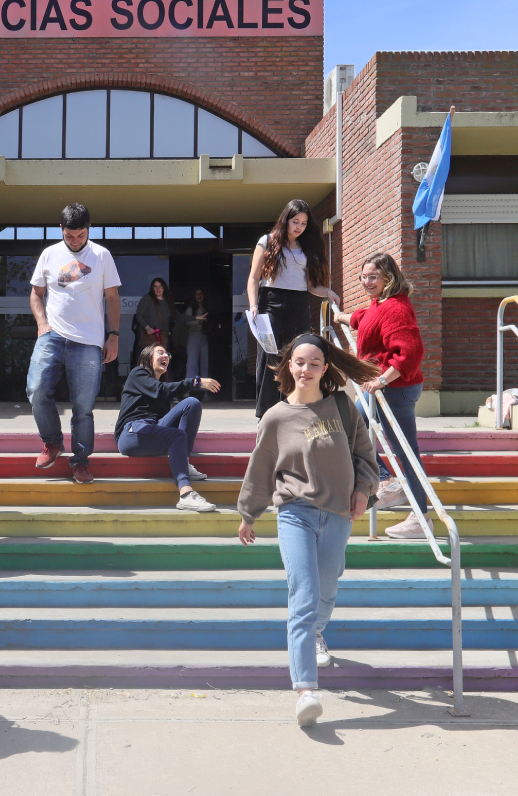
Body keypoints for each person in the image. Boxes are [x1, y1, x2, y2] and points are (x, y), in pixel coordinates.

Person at [237, 334, 378, 727]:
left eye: (314, 363)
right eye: (299, 362)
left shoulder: (343, 409)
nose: (306, 369)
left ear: (325, 369)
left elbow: (365, 457)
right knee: (304, 594)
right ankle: (306, 690)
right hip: (294, 513)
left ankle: (316, 632)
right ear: (289, 367)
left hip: (337, 512)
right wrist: (248, 513)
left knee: (328, 586)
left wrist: (364, 491)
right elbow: (260, 469)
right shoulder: (276, 418)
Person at [27, 203, 122, 485]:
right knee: (36, 389)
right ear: (61, 230)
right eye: (70, 235)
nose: (76, 241)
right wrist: (42, 324)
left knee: (83, 406)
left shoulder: (102, 255)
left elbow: (113, 298)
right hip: (53, 335)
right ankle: (52, 442)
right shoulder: (49, 254)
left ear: (89, 229)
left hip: (89, 340)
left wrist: (113, 335)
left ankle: (80, 462)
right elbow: (36, 294)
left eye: (81, 235)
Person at [338, 252, 429, 540]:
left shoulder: (396, 308)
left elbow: (410, 353)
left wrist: (382, 379)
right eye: (363, 276)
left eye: (373, 277)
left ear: (388, 277)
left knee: (406, 453)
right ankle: (389, 480)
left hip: (394, 389)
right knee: (346, 427)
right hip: (378, 389)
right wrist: (342, 316)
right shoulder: (380, 304)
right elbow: (366, 318)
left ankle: (421, 517)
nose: (366, 281)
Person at [247, 200, 341, 418]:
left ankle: (292, 410)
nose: (299, 227)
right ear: (285, 220)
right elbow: (253, 277)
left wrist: (328, 292)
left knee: (296, 355)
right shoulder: (267, 241)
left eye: (304, 223)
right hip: (269, 301)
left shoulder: (306, 248)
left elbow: (311, 286)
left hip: (298, 304)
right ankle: (266, 415)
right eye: (295, 221)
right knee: (270, 358)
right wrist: (253, 306)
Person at [115, 344, 224, 512]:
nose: (165, 355)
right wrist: (195, 382)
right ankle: (186, 494)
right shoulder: (138, 374)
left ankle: (184, 461)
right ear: (147, 357)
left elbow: (163, 395)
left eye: (167, 353)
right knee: (177, 435)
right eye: (160, 353)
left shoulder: (162, 387)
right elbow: (159, 390)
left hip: (151, 429)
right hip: (132, 433)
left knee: (192, 403)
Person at [182, 287, 214, 380]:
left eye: (200, 293)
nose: (199, 295)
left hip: (205, 337)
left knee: (205, 364)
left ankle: (205, 392)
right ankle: (188, 389)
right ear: (194, 296)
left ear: (204, 295)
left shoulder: (208, 308)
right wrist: (198, 321)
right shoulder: (191, 309)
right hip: (193, 335)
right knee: (192, 363)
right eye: (197, 294)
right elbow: (187, 322)